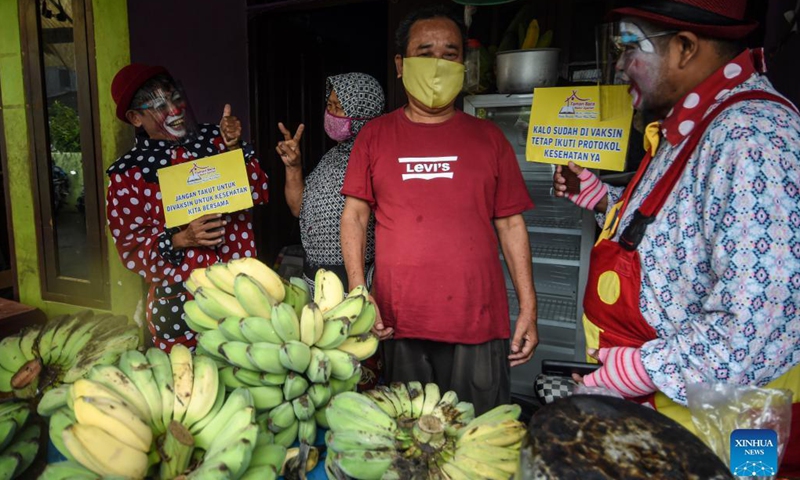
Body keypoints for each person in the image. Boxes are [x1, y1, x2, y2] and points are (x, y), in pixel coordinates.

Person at [553, 0, 800, 473]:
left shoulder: (751, 138)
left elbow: (760, 320)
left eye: (629, 48)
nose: (621, 65)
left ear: (685, 48)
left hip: (718, 429)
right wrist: (605, 201)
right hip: (667, 420)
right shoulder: (695, 125)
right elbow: (684, 237)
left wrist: (639, 370)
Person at [340, 5, 538, 414]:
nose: (437, 64)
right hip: (399, 318)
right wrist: (359, 291)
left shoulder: (489, 138)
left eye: (449, 54)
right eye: (424, 52)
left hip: (478, 318)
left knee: (479, 438)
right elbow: (355, 216)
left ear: (463, 65)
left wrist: (529, 307)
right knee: (412, 439)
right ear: (401, 64)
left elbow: (511, 223)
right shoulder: (374, 137)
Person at [106, 63, 275, 352]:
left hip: (239, 290)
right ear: (136, 117)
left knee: (247, 375)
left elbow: (258, 192)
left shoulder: (217, 140)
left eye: (174, 98)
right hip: (178, 302)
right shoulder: (126, 174)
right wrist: (182, 239)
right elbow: (131, 251)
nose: (174, 110)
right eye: (159, 105)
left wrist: (233, 148)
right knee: (191, 386)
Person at [278, 72, 385, 388]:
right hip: (319, 277)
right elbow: (298, 208)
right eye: (330, 104)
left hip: (357, 278)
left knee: (357, 363)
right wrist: (293, 168)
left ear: (362, 112)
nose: (331, 113)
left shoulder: (377, 157)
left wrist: (368, 286)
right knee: (325, 365)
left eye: (340, 106)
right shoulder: (331, 157)